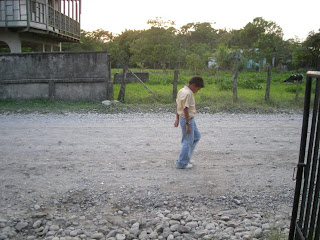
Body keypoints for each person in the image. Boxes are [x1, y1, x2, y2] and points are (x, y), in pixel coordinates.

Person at [174, 76, 204, 169]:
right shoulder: (188, 93)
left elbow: (178, 105)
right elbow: (185, 108)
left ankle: (186, 158)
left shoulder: (182, 90)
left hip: (187, 118)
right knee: (187, 141)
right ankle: (182, 163)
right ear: (193, 85)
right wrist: (187, 124)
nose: (197, 91)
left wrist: (177, 119)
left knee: (196, 137)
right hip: (187, 119)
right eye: (197, 89)